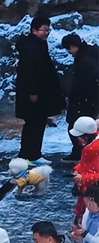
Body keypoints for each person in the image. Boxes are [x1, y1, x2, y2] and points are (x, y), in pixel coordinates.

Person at [15, 14, 65, 161]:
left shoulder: (38, 44)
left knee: (37, 123)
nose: (46, 33)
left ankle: (32, 153)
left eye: (48, 30)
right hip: (34, 92)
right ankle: (30, 154)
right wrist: (33, 91)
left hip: (41, 91)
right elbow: (30, 70)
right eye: (44, 30)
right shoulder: (31, 47)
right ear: (34, 30)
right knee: (34, 123)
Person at [62, 34, 99, 160]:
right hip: (91, 99)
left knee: (75, 127)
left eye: (68, 48)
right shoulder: (90, 54)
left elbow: (82, 82)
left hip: (83, 99)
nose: (69, 52)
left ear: (73, 46)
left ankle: (80, 152)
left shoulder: (84, 59)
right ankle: (84, 151)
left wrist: (73, 94)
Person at [70, 116, 99, 224]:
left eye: (80, 137)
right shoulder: (89, 148)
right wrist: (77, 170)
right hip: (86, 195)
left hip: (94, 198)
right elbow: (84, 164)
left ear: (86, 136)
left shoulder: (94, 150)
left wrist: (83, 178)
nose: (78, 140)